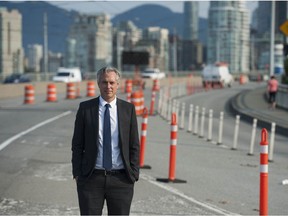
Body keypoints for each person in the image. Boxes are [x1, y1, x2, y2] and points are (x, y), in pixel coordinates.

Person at [71, 66, 140, 215]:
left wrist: (134, 174)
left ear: (117, 84)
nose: (108, 86)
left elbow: (134, 145)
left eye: (111, 82)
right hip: (91, 178)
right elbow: (77, 144)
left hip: (121, 180)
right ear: (98, 84)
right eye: (104, 82)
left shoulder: (128, 109)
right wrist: (77, 173)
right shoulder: (85, 109)